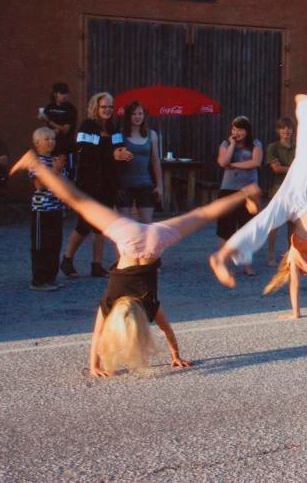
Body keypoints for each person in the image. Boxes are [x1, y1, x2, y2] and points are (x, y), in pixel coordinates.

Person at [11, 149, 261, 377]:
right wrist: (94, 364)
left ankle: (244, 193)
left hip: (153, 242)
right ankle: (246, 193)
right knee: (79, 201)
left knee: (201, 215)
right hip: (130, 239)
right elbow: (98, 335)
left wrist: (175, 355)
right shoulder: (110, 303)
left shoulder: (149, 305)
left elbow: (167, 331)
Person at [209, 95, 307, 320]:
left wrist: (295, 313)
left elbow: (295, 285)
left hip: (293, 201)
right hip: (306, 196)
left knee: (264, 221)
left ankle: (223, 255)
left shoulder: (296, 254)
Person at [61, 92, 132, 279]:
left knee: (102, 224)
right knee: (84, 223)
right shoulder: (87, 126)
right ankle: (67, 259)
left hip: (108, 183)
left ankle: (96, 264)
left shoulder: (114, 127)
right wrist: (112, 155)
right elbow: (84, 153)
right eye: (103, 107)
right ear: (96, 107)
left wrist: (124, 156)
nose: (107, 110)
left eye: (110, 107)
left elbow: (118, 149)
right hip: (89, 183)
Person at [217, 116, 263, 276]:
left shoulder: (256, 144)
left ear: (247, 131)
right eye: (234, 129)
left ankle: (246, 265)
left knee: (247, 229)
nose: (237, 132)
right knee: (225, 229)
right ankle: (224, 264)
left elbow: (256, 162)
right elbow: (223, 162)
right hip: (228, 190)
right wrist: (232, 145)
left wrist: (234, 165)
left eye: (240, 129)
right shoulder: (225, 144)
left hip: (249, 191)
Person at [28, 128, 65, 291]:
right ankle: (38, 280)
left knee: (54, 244)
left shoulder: (55, 160)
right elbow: (40, 185)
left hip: (56, 208)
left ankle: (51, 278)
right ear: (37, 143)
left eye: (53, 139)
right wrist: (55, 170)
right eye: (47, 139)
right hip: (42, 210)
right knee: (41, 245)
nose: (51, 142)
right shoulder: (36, 162)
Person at [117, 101, 163, 224]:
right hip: (124, 185)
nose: (137, 117)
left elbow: (155, 161)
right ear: (128, 116)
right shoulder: (120, 135)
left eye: (140, 113)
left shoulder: (152, 135)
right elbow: (114, 159)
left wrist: (160, 185)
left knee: (147, 224)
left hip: (145, 184)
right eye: (133, 114)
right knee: (125, 225)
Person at [265, 116, 296, 266]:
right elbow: (276, 168)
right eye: (283, 128)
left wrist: (288, 169)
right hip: (278, 190)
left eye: (289, 128)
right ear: (278, 130)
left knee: (293, 225)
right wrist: (294, 169)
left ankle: (291, 255)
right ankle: (271, 256)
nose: (286, 131)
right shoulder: (273, 147)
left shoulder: (298, 147)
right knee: (274, 225)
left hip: (295, 191)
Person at [39, 82, 78, 175]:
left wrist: (49, 121)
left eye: (66, 93)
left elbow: (65, 130)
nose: (65, 96)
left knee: (67, 173)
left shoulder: (71, 109)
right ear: (55, 94)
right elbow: (45, 127)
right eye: (62, 93)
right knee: (50, 173)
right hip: (51, 147)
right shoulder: (49, 107)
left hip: (66, 147)